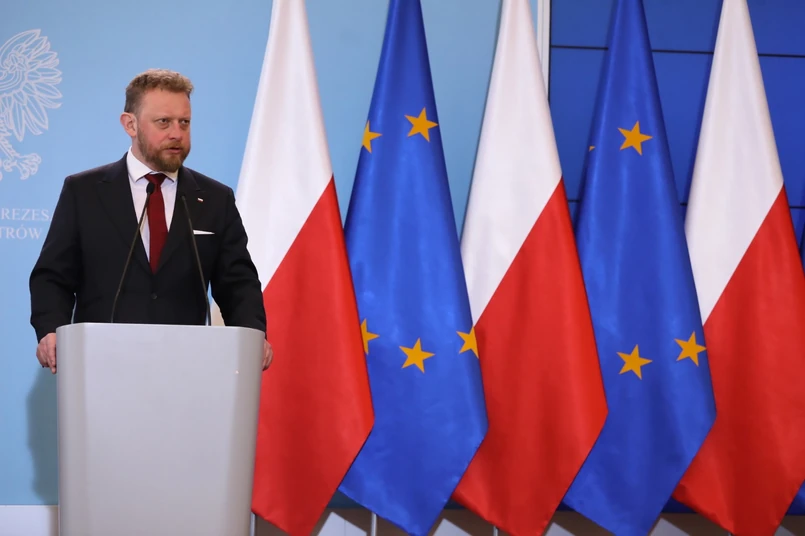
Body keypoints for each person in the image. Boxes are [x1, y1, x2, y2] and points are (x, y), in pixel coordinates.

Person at [29, 69, 272, 373]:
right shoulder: (84, 192)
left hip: (188, 368)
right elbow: (53, 276)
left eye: (184, 122)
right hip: (100, 365)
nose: (177, 133)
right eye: (164, 122)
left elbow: (238, 283)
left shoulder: (214, 198)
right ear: (130, 124)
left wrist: (253, 334)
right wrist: (51, 330)